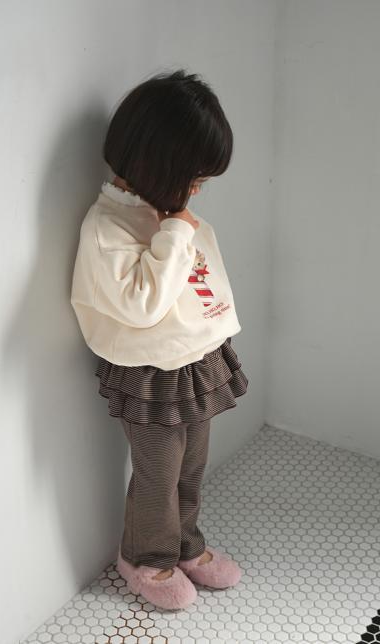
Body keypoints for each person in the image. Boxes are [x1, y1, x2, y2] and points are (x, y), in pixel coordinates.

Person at [70, 68, 249, 610]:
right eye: (193, 179)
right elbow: (143, 304)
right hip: (151, 371)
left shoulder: (165, 214)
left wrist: (176, 225)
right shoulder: (107, 229)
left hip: (192, 361)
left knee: (191, 465)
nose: (197, 192)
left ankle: (185, 544)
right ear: (158, 166)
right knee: (158, 474)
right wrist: (175, 230)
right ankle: (145, 557)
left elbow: (200, 280)